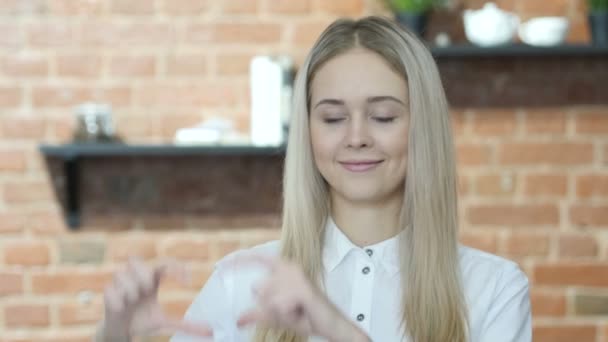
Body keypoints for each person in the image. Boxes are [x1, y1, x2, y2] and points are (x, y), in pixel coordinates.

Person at [95, 16, 532, 342]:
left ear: (423, 127)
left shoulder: (493, 289)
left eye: (382, 116)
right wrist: (113, 336)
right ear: (308, 131)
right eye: (333, 117)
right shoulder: (239, 282)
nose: (357, 137)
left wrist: (337, 330)